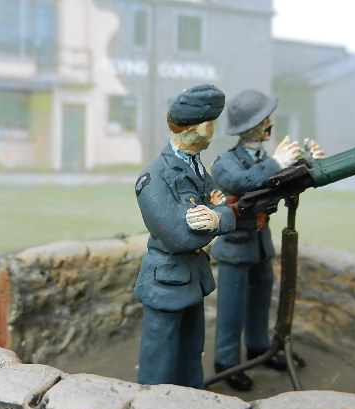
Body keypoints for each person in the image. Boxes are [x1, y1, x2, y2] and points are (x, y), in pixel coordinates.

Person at [210, 89, 324, 391]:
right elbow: (242, 182)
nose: (270, 123)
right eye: (264, 119)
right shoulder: (226, 162)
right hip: (236, 246)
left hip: (261, 244)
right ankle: (226, 361)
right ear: (252, 126)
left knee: (261, 301)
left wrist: (309, 162)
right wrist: (277, 162)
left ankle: (259, 349)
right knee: (232, 309)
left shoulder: (269, 158)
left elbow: (287, 178)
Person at [133, 84, 236, 389]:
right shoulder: (153, 178)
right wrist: (213, 216)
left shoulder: (198, 168)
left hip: (193, 277)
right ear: (200, 129)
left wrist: (214, 218)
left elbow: (228, 209)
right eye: (211, 124)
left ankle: (191, 399)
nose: (213, 131)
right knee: (160, 356)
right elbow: (180, 237)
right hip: (166, 280)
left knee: (192, 350)